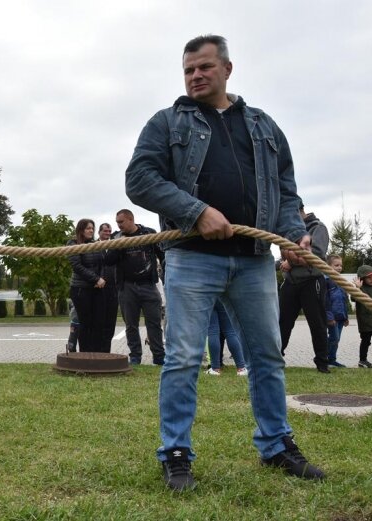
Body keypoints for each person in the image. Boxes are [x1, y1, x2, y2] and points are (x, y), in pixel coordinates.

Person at [125, 35, 325, 491]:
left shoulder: (264, 126)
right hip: (192, 260)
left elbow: (286, 189)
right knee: (182, 359)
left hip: (254, 261)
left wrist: (293, 232)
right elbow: (139, 179)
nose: (196, 76)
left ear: (227, 69)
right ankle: (176, 454)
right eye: (189, 70)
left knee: (267, 357)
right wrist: (196, 211)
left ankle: (277, 445)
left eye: (204, 68)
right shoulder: (166, 123)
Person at [109, 209, 165, 365]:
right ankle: (135, 357)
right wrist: (118, 246)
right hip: (127, 287)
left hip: (149, 285)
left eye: (121, 222)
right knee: (131, 325)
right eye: (117, 223)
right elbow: (108, 260)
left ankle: (159, 357)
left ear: (130, 219)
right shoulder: (116, 237)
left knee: (154, 323)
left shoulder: (149, 233)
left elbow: (163, 255)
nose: (118, 226)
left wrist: (166, 277)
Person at [278, 205, 330, 372]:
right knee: (282, 323)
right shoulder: (290, 230)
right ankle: (277, 359)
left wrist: (290, 261)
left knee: (317, 323)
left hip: (311, 280)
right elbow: (283, 256)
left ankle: (322, 363)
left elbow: (317, 254)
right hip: (291, 282)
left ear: (301, 211)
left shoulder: (318, 228)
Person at [67, 219, 109, 352]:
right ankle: (85, 354)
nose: (91, 230)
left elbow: (102, 263)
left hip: (96, 288)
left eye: (92, 228)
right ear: (81, 230)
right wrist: (96, 279)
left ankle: (96, 353)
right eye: (88, 228)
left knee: (98, 322)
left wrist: (101, 279)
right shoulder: (73, 243)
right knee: (84, 323)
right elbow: (77, 266)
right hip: (80, 289)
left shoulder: (95, 244)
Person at [205, 300, 248, 376]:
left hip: (207, 296)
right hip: (223, 295)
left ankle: (215, 369)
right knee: (230, 332)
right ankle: (241, 368)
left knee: (213, 332)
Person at [325, 254, 349, 368]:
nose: (339, 267)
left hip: (340, 317)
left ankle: (332, 359)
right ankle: (325, 358)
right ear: (329, 266)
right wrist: (329, 317)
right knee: (333, 337)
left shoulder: (341, 282)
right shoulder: (327, 281)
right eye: (336, 265)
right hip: (332, 317)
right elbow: (325, 301)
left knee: (336, 339)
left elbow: (344, 300)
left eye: (341, 265)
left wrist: (346, 317)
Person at [99, 223, 119, 352]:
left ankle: (107, 351)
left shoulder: (116, 246)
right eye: (105, 231)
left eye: (109, 231)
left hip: (113, 289)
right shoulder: (93, 246)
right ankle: (96, 350)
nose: (108, 233)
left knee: (110, 322)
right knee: (98, 321)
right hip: (97, 289)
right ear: (99, 232)